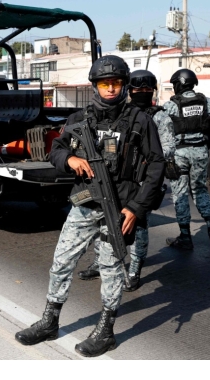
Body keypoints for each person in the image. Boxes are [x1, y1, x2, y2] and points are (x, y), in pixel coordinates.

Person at [14, 56, 165, 357]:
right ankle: (50, 321)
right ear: (95, 85)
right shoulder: (78, 119)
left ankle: (106, 331)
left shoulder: (140, 120)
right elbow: (56, 149)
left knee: (111, 269)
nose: (111, 88)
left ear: (124, 85)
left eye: (117, 83)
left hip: (120, 208)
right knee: (61, 262)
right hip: (84, 204)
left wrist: (136, 208)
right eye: (105, 83)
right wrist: (70, 160)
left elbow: (157, 166)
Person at [76, 70, 176, 292]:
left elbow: (167, 149)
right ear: (129, 90)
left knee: (137, 227)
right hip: (115, 179)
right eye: (137, 89)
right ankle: (100, 261)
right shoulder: (122, 113)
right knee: (104, 223)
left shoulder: (159, 116)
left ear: (152, 91)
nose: (141, 93)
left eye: (146, 90)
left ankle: (135, 268)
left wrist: (143, 156)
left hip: (142, 182)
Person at [163, 69, 210, 249]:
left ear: (178, 84)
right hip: (200, 152)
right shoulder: (208, 102)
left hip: (179, 154)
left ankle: (185, 236)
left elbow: (161, 130)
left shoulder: (171, 106)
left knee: (180, 193)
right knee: (200, 191)